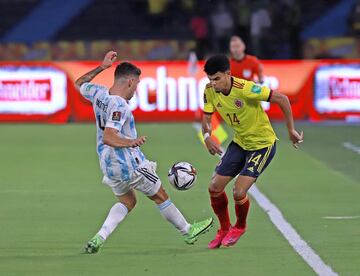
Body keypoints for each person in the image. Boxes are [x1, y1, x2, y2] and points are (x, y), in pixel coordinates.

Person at [75, 51, 213, 254]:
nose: (137, 90)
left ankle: (99, 237)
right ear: (130, 82)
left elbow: (79, 83)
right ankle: (188, 231)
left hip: (107, 164)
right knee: (160, 195)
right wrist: (132, 141)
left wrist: (102, 67)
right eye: (137, 84)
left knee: (128, 201)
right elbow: (109, 137)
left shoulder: (99, 93)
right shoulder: (120, 106)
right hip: (128, 164)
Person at [201, 54, 303, 249]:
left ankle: (240, 226)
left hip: (262, 145)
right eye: (210, 79)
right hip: (240, 143)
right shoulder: (209, 91)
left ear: (228, 74)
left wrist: (291, 130)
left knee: (238, 191)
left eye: (217, 79)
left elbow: (282, 98)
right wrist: (207, 137)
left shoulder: (246, 89)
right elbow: (206, 119)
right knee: (214, 187)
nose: (213, 83)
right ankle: (224, 229)